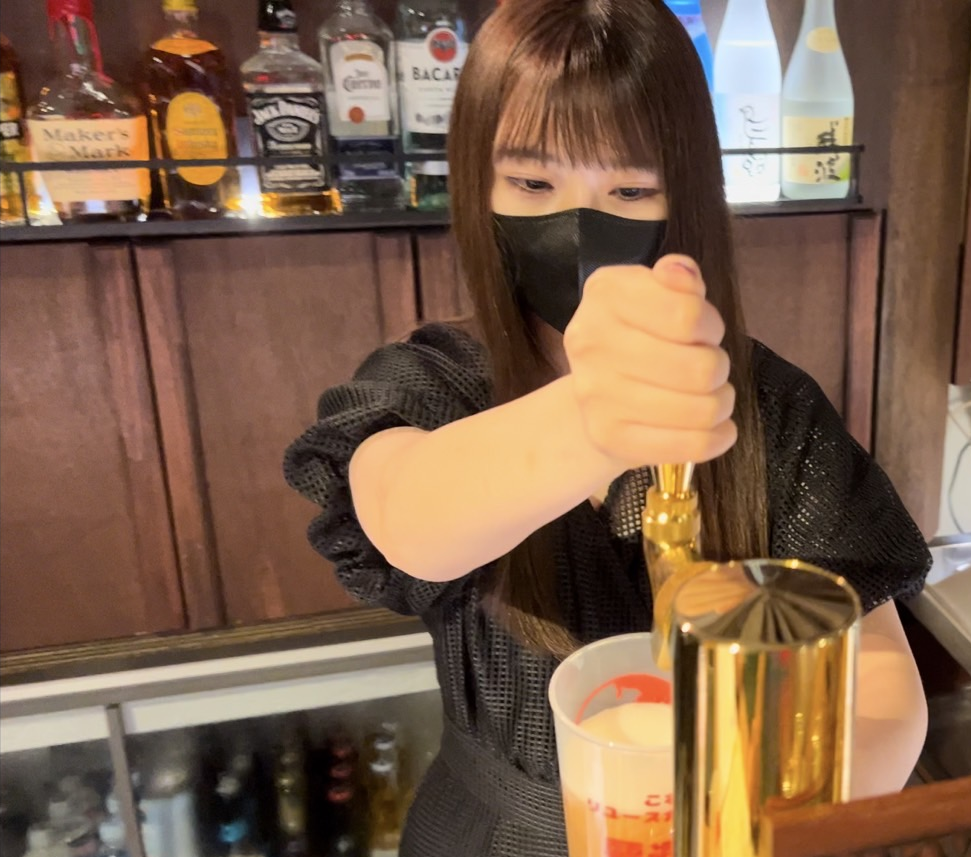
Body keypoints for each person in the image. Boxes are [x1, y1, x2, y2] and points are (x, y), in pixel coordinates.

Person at [284, 0, 932, 854]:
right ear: (478, 188)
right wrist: (594, 416)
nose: (581, 225)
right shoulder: (436, 380)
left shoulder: (768, 406)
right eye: (532, 185)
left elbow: (879, 678)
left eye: (629, 189)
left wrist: (758, 817)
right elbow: (407, 516)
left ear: (686, 195)